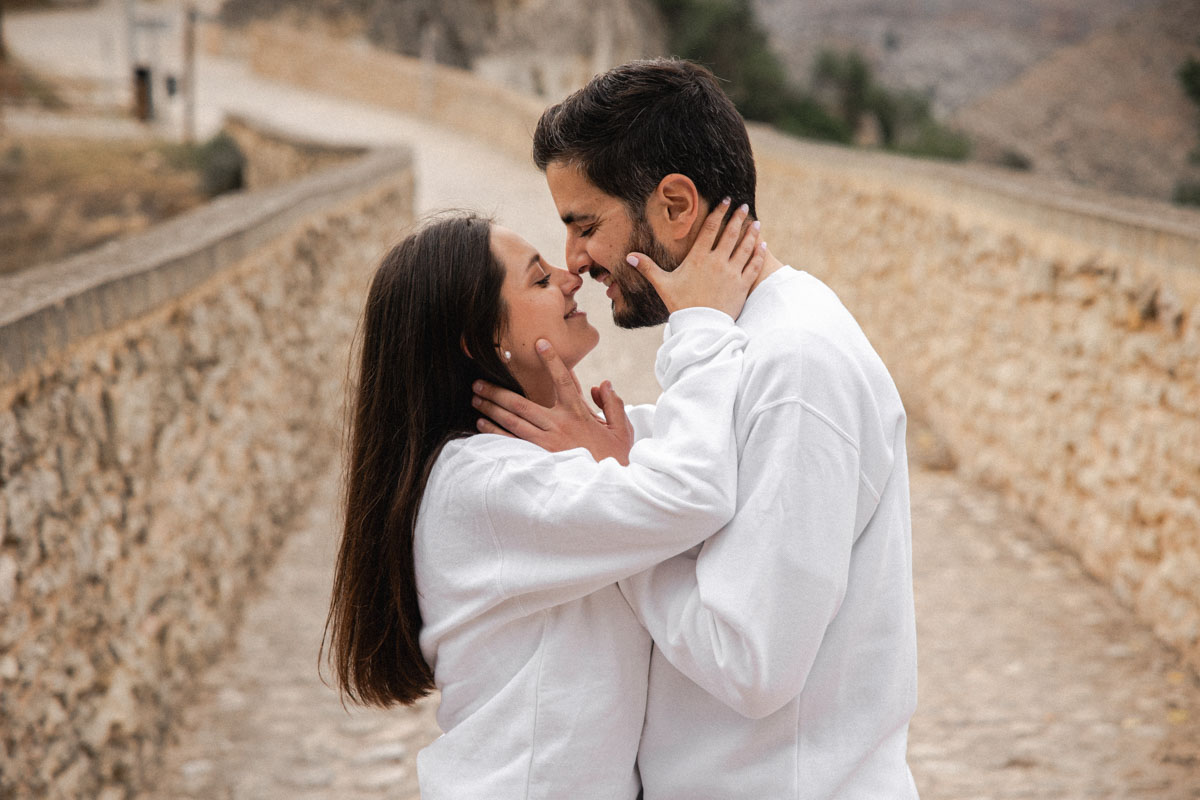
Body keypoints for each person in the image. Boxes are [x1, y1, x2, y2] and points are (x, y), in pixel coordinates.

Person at [474, 58, 920, 798]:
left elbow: (749, 661)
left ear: (676, 204)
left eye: (587, 226)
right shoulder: (739, 344)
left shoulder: (796, 365)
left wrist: (610, 502)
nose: (575, 263)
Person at [323, 207, 767, 799]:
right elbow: (693, 492)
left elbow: (705, 444)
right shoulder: (482, 487)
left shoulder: (547, 458)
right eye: (538, 279)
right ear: (482, 339)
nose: (570, 275)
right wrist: (702, 322)